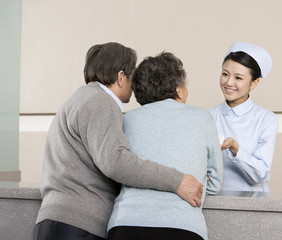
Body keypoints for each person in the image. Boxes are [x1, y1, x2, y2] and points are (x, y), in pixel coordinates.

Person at [34, 42, 204, 240]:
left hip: (58, 221)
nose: (135, 84)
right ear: (120, 77)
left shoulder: (79, 98)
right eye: (133, 74)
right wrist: (177, 180)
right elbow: (115, 161)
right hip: (78, 226)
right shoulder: (101, 101)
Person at [107, 52, 223, 240]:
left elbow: (118, 172)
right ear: (178, 90)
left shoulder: (127, 120)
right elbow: (215, 183)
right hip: (183, 226)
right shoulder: (203, 118)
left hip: (125, 225)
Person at [209, 41, 278, 192]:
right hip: (215, 203)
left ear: (254, 83)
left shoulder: (265, 119)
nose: (228, 82)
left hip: (253, 204)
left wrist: (235, 148)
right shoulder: (208, 116)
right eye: (225, 74)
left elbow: (260, 175)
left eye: (238, 78)